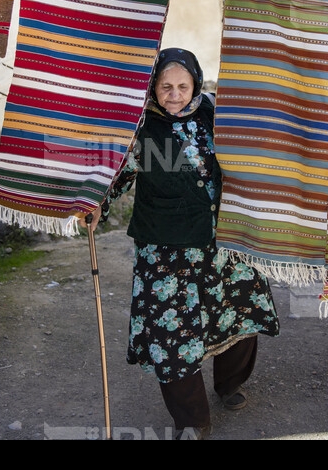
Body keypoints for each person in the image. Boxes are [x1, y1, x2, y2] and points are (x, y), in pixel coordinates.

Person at [84, 47, 279, 440]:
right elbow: (115, 175)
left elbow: (250, 156)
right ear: (153, 87)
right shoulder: (139, 127)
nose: (174, 94)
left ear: (196, 84)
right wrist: (94, 208)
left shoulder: (214, 114)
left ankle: (229, 384)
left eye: (182, 86)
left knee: (239, 311)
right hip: (165, 249)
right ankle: (192, 419)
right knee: (169, 335)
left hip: (222, 239)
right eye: (165, 86)